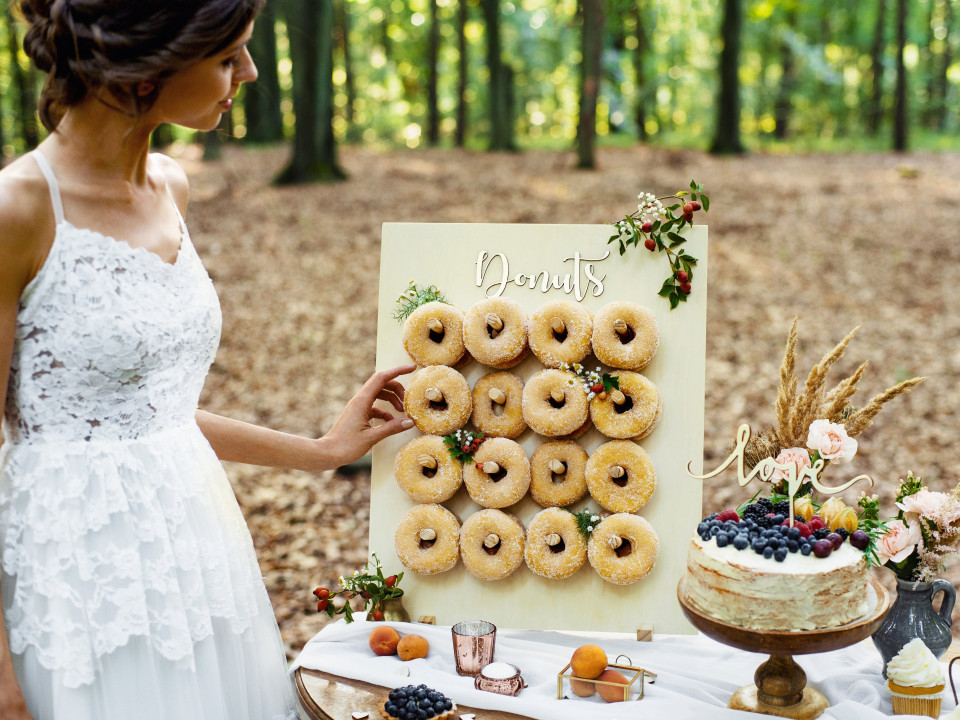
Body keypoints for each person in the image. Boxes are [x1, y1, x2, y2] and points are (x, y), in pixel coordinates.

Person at [0, 2, 415, 718]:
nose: (249, 73)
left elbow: (150, 418)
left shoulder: (171, 187)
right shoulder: (19, 210)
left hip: (198, 552)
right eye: (228, 58)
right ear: (148, 65)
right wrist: (3, 685)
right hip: (78, 586)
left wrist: (319, 451)